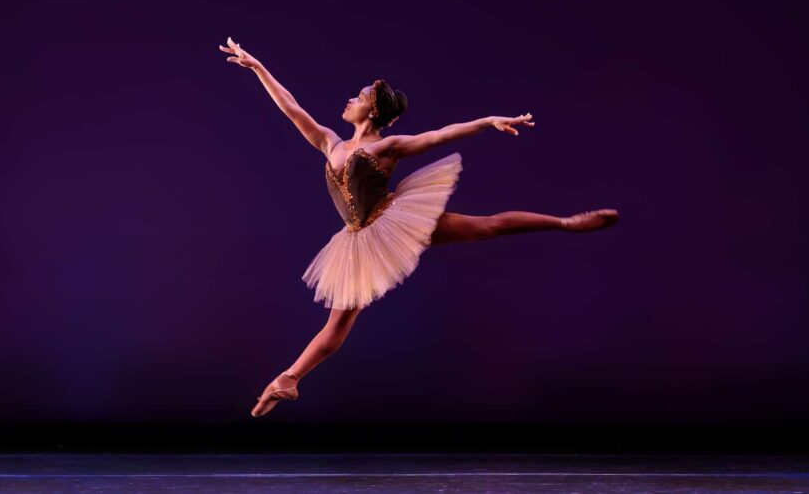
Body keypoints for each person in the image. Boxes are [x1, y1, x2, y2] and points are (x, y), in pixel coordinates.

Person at [218, 37, 618, 417]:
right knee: (339, 321)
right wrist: (258, 68)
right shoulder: (330, 142)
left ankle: (565, 222)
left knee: (485, 226)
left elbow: (439, 135)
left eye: (358, 98)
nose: (349, 100)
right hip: (359, 239)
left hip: (393, 221)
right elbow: (291, 108)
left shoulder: (387, 147)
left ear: (372, 112)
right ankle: (288, 379)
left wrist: (487, 121)